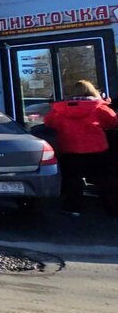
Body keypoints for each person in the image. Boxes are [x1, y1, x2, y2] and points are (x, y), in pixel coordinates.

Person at [44, 79, 118, 216]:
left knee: (73, 179)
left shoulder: (60, 109)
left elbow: (49, 122)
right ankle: (111, 207)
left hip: (69, 149)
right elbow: (113, 121)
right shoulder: (98, 106)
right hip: (97, 148)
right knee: (106, 179)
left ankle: (72, 207)